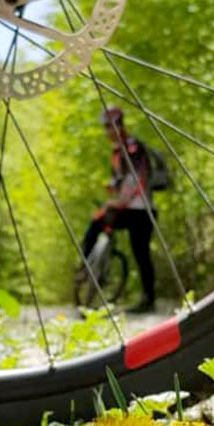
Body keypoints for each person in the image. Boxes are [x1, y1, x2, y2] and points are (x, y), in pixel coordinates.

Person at [81, 106, 156, 313]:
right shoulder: (118, 152)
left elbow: (137, 179)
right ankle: (90, 267)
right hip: (131, 209)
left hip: (141, 211)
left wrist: (120, 200)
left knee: (141, 253)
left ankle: (148, 299)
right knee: (98, 222)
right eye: (106, 127)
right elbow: (121, 180)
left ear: (121, 126)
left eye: (112, 127)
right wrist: (113, 187)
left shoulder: (133, 148)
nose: (109, 132)